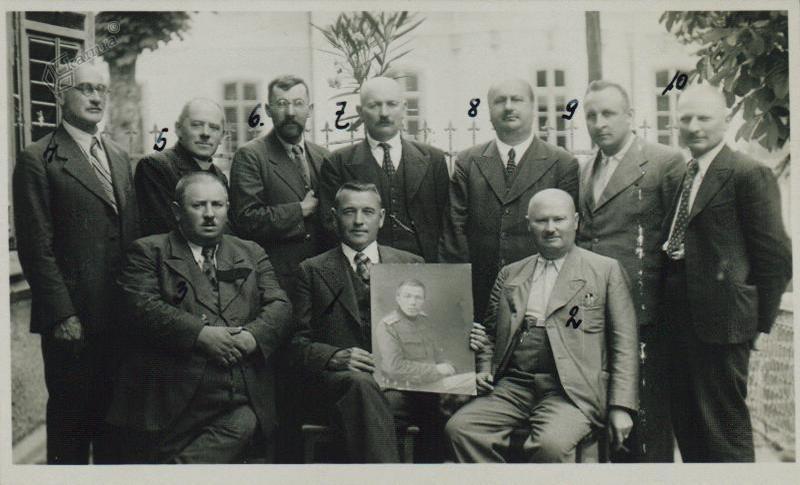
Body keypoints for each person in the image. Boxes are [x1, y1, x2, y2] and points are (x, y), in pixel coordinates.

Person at [291, 182, 484, 463]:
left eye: (367, 212)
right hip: (344, 387)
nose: (359, 221)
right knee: (362, 386)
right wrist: (334, 356)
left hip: (406, 387)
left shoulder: (410, 263)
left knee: (458, 391)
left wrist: (467, 337)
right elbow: (296, 344)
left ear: (381, 218)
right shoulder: (312, 270)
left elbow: (435, 332)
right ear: (334, 217)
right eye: (349, 212)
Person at [107, 172, 292, 463]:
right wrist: (200, 335)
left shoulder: (251, 252)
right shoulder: (149, 251)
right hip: (172, 397)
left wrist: (251, 337)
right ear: (177, 211)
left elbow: (279, 304)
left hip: (240, 391)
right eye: (198, 205)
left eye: (217, 205)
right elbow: (140, 306)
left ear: (227, 208)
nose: (209, 214)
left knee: (244, 424)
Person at [446, 189, 638, 463]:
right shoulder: (511, 274)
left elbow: (625, 345)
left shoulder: (605, 271)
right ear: (529, 225)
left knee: (551, 445)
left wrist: (621, 407)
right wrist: (484, 369)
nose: (550, 228)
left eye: (559, 219)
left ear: (576, 221)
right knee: (461, 430)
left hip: (572, 391)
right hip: (514, 385)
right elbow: (489, 335)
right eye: (541, 220)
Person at [12, 62, 139, 464]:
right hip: (74, 324)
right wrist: (62, 315)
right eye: (85, 88)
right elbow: (36, 248)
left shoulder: (119, 157)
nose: (96, 97)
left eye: (102, 90)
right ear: (60, 96)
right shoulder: (38, 158)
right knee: (71, 433)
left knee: (116, 434)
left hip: (120, 320)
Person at [663, 84, 791, 462]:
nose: (694, 126)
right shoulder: (682, 175)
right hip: (679, 320)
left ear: (724, 121)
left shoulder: (748, 173)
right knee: (688, 427)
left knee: (725, 432)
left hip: (725, 324)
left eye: (704, 118)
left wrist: (758, 325)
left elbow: (775, 258)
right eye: (686, 118)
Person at [576, 80, 685, 462]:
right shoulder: (585, 169)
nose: (599, 123)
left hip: (647, 316)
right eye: (591, 115)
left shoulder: (664, 162)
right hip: (597, 314)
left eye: (608, 113)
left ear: (630, 116)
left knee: (648, 428)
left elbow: (678, 244)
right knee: (611, 425)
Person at [439, 78, 579, 322]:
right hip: (479, 291)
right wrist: (458, 296)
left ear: (533, 107)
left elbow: (570, 236)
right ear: (489, 112)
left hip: (539, 292)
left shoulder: (562, 163)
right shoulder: (468, 162)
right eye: (500, 101)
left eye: (517, 100)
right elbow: (454, 232)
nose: (509, 107)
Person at [320, 76, 449, 262]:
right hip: (365, 268)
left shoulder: (433, 159)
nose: (384, 113)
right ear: (360, 112)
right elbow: (331, 226)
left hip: (423, 267)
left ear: (404, 108)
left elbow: (447, 223)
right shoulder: (338, 163)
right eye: (374, 105)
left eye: (391, 104)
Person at [229, 75, 332, 299]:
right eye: (282, 104)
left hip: (322, 279)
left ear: (310, 109)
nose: (290, 112)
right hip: (276, 281)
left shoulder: (323, 157)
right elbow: (246, 220)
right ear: (268, 110)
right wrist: (300, 210)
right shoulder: (251, 156)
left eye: (298, 103)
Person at [135, 97, 229, 236]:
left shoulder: (219, 176)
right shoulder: (155, 167)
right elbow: (164, 230)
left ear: (222, 136)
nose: (205, 133)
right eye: (196, 125)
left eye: (214, 128)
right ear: (178, 129)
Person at [374, 279, 456, 387]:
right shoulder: (388, 326)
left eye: (418, 297)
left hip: (433, 382)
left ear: (423, 300)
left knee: (471, 379)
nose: (413, 302)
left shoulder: (425, 321)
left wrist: (449, 366)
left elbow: (438, 355)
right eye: (407, 296)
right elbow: (393, 368)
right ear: (398, 299)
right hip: (405, 387)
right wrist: (436, 369)